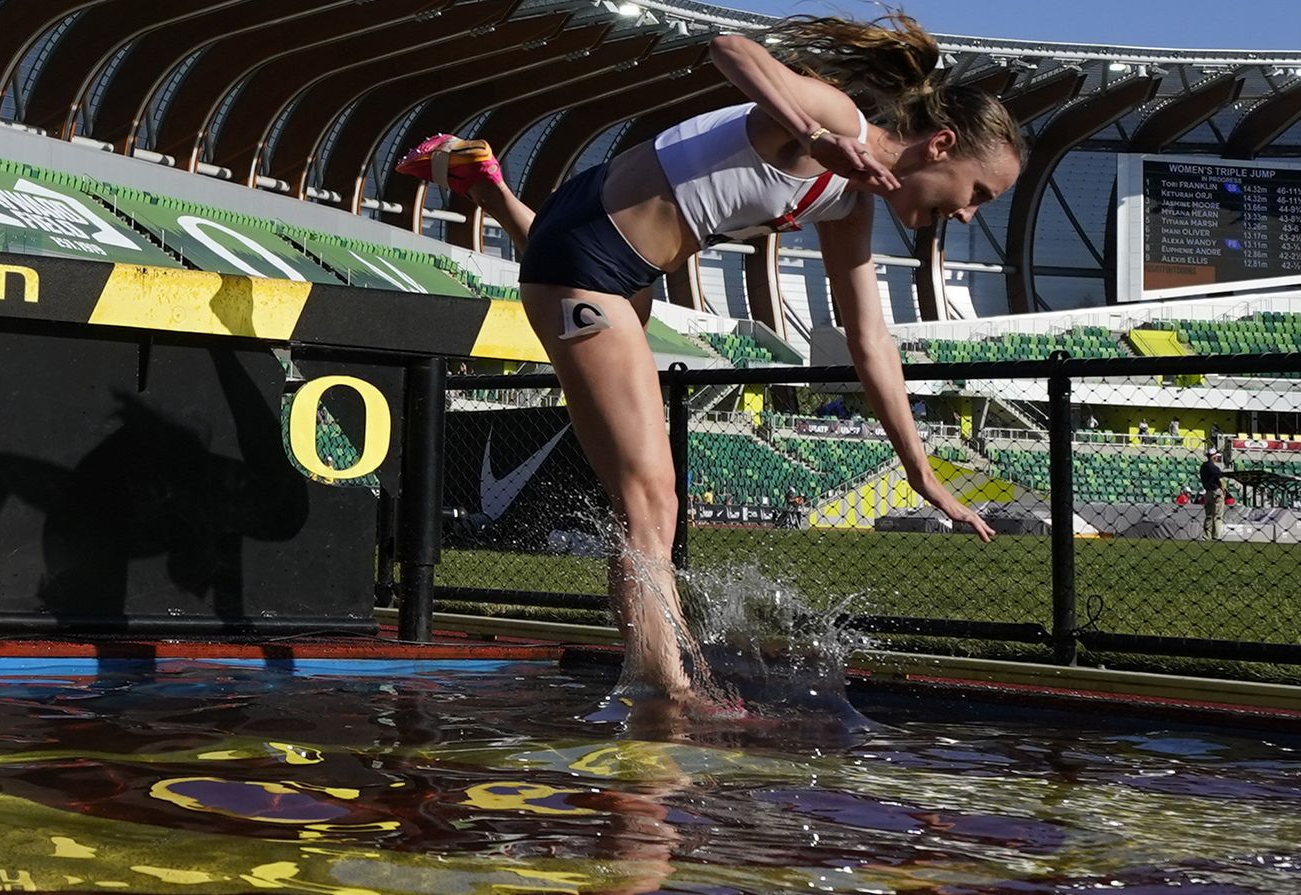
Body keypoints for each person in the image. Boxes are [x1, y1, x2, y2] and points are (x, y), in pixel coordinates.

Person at [395, 12, 1013, 703]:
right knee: (650, 504)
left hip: (621, 263)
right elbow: (730, 49)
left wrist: (921, 471)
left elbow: (869, 339)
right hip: (587, 258)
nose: (967, 215)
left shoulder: (850, 207)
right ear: (942, 146)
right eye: (978, 195)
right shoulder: (837, 120)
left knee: (649, 503)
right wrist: (813, 135)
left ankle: (487, 184)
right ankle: (669, 698)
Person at [1200, 449, 1225, 540]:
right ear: (1214, 456)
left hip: (1208, 492)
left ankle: (1206, 535)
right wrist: (1223, 490)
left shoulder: (1203, 466)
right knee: (1218, 515)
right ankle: (1217, 535)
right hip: (1216, 491)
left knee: (1209, 515)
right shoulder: (1215, 468)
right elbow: (1220, 480)